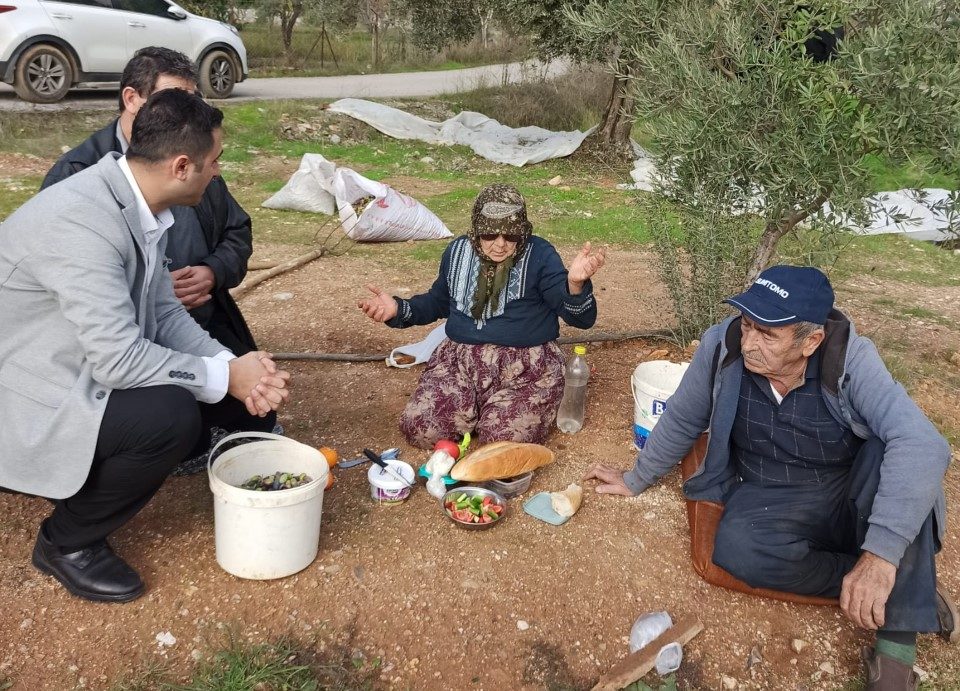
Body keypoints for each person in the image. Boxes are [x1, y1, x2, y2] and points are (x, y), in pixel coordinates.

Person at [584, 265, 955, 690]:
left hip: (847, 482)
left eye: (767, 334)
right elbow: (685, 415)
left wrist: (883, 557)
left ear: (810, 341)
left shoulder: (849, 357)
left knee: (895, 461)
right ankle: (906, 585)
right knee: (738, 549)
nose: (748, 342)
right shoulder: (721, 345)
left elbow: (924, 444)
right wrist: (636, 478)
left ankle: (894, 655)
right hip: (770, 488)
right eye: (747, 325)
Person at [0, 90, 290, 603]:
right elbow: (117, 361)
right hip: (24, 393)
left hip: (73, 364)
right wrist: (225, 378)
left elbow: (163, 313)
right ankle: (65, 542)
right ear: (183, 165)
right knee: (170, 415)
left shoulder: (130, 200)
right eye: (215, 160)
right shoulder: (82, 222)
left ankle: (99, 471)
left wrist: (235, 367)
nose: (219, 172)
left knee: (237, 411)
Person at [41, 47, 267, 472]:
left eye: (195, 101)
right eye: (175, 101)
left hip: (195, 319)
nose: (191, 113)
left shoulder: (198, 161)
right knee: (179, 423)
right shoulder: (76, 176)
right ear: (132, 100)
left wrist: (213, 272)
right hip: (115, 341)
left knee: (256, 411)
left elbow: (238, 232)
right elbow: (87, 320)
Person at [358, 183, 605, 448]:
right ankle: (473, 410)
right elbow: (438, 302)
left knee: (503, 441)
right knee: (421, 428)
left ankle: (495, 414)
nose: (500, 244)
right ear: (476, 229)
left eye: (511, 236)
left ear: (522, 231)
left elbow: (581, 318)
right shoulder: (456, 252)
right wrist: (398, 309)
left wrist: (576, 285)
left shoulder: (540, 255)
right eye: (489, 234)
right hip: (459, 365)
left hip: (526, 371)